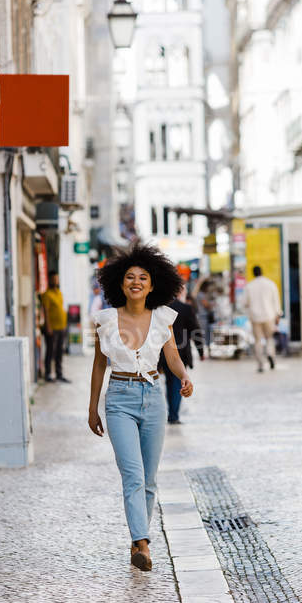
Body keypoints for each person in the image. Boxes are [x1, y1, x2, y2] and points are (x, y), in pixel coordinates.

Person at [88, 243, 194, 572]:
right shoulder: (104, 320)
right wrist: (93, 409)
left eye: (143, 277)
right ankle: (143, 544)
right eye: (130, 277)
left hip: (154, 397)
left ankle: (137, 539)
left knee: (149, 479)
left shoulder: (163, 317)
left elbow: (172, 356)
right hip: (119, 398)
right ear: (120, 283)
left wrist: (184, 377)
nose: (136, 281)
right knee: (132, 475)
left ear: (152, 285)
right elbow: (98, 366)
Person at [160, 286, 204, 424]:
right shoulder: (185, 308)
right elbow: (195, 331)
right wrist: (201, 351)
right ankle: (174, 415)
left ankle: (172, 413)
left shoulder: (160, 309)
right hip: (182, 351)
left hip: (163, 352)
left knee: (169, 382)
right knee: (177, 382)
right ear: (180, 292)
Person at [242, 265, 281, 372]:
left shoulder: (249, 286)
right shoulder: (270, 284)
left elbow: (244, 303)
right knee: (269, 338)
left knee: (258, 340)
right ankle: (270, 354)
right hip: (269, 316)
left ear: (253, 273)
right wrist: (278, 314)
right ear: (262, 272)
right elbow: (276, 300)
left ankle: (260, 364)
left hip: (255, 317)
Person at [41, 271, 71, 383]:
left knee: (59, 352)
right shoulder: (46, 295)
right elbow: (46, 311)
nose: (55, 281)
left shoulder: (59, 292)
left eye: (57, 279)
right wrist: (48, 327)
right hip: (52, 328)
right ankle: (48, 374)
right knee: (50, 351)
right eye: (53, 279)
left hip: (61, 327)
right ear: (50, 280)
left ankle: (59, 374)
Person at [195, 280, 214, 354]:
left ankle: (206, 349)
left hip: (203, 316)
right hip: (202, 317)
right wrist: (211, 304)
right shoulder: (201, 294)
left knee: (206, 334)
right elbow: (206, 305)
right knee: (204, 334)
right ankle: (204, 350)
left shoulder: (200, 294)